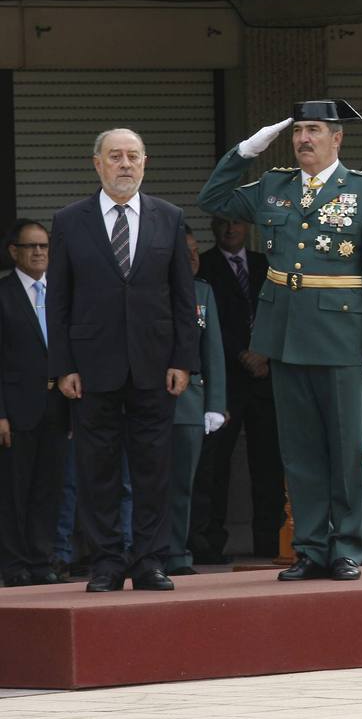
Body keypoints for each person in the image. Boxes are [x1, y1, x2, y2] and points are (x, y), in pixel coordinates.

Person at [198, 99, 362, 582]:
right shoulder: (274, 185)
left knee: (346, 447)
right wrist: (247, 149)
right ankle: (310, 546)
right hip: (284, 334)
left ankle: (348, 545)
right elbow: (214, 199)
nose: (304, 139)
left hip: (341, 333)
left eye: (314, 130)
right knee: (301, 449)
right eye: (298, 131)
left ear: (337, 138)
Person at [48, 128, 197, 593]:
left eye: (133, 156)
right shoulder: (70, 221)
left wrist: (183, 360)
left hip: (155, 364)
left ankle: (151, 559)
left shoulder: (168, 218)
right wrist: (63, 366)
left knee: (154, 468)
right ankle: (107, 561)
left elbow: (181, 295)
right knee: (98, 469)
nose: (125, 165)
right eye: (116, 157)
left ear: (146, 163)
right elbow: (59, 301)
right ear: (97, 164)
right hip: (91, 367)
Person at [193, 215, 284, 561]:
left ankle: (270, 541)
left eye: (237, 223)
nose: (230, 229)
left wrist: (265, 353)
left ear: (249, 227)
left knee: (269, 464)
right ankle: (210, 542)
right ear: (213, 228)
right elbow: (208, 322)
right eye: (222, 224)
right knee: (215, 465)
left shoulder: (266, 264)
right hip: (227, 380)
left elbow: (279, 312)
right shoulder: (205, 265)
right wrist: (242, 353)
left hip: (267, 377)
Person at [0, 220, 70, 586]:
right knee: (14, 492)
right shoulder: (4, 292)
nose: (40, 252)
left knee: (49, 488)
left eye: (44, 246)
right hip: (16, 410)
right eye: (31, 246)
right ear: (14, 252)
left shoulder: (60, 291)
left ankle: (42, 562)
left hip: (57, 408)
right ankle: (14, 566)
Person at [165, 227, 227, 575]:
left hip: (190, 403)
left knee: (183, 485)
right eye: (182, 251)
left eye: (194, 251)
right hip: (149, 402)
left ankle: (176, 552)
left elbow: (213, 351)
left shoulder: (203, 292)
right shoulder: (149, 289)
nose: (191, 257)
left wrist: (215, 403)